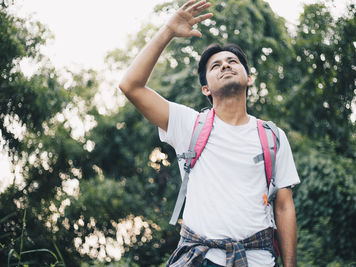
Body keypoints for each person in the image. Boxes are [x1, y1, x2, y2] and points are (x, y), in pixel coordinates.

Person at [119, 1, 300, 266]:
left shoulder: (272, 136)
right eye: (215, 66)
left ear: (249, 78)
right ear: (206, 89)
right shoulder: (189, 124)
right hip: (201, 259)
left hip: (258, 259)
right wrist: (168, 30)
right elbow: (130, 85)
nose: (225, 66)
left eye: (233, 62)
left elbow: (284, 206)